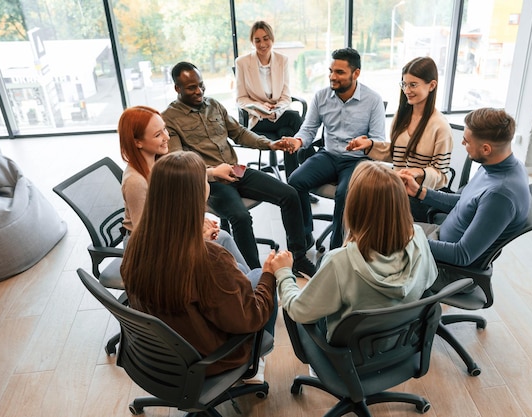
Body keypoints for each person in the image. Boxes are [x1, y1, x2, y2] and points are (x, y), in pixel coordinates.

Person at [120, 151, 277, 380]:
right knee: (260, 276)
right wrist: (270, 275)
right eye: (205, 179)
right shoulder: (210, 260)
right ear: (197, 193)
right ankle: (252, 368)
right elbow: (251, 318)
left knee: (223, 238)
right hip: (210, 358)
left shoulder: (137, 242)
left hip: (166, 350)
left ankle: (241, 282)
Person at [162, 61, 316, 277]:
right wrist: (213, 172)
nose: (199, 91)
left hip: (236, 170)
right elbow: (179, 164)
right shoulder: (169, 119)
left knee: (289, 194)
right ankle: (257, 276)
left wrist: (270, 144)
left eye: (201, 85)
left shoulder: (213, 105)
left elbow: (239, 133)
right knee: (241, 217)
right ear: (177, 88)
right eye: (191, 87)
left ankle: (298, 258)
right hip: (210, 182)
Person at [269, 160, 438, 340]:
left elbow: (298, 311)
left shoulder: (339, 262)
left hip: (349, 357)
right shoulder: (419, 236)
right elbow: (429, 281)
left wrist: (284, 272)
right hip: (402, 342)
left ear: (353, 207)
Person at [399, 108, 529, 290]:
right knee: (380, 231)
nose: (462, 143)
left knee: (374, 260)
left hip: (448, 268)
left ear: (486, 149)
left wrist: (403, 242)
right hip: (438, 239)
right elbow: (464, 201)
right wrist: (419, 191)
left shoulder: (500, 196)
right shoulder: (494, 165)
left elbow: (462, 255)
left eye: (467, 141)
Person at [118, 106, 249, 271]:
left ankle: (249, 286)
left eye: (164, 129)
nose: (166, 137)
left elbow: (180, 176)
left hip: (169, 231)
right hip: (151, 250)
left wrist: (213, 172)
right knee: (230, 262)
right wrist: (192, 230)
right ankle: (248, 285)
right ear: (137, 142)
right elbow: (145, 236)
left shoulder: (157, 161)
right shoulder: (135, 182)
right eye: (158, 135)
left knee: (224, 239)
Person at [281, 48, 386, 250]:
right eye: (330, 71)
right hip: (329, 155)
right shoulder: (321, 96)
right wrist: (298, 141)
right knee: (294, 182)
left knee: (344, 194)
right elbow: (309, 129)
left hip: (357, 160)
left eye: (339, 72)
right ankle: (304, 237)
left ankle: (336, 251)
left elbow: (379, 141)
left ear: (356, 73)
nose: (332, 77)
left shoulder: (373, 100)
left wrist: (365, 143)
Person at [346, 56, 453, 222]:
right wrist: (369, 145)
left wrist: (418, 172)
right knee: (359, 196)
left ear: (431, 85)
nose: (407, 90)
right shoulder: (402, 116)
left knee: (371, 210)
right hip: (397, 188)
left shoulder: (440, 126)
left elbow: (442, 176)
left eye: (413, 85)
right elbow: (397, 152)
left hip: (420, 195)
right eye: (404, 84)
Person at [235, 20, 302, 177]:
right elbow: (240, 98)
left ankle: (294, 183)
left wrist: (276, 111)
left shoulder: (282, 60)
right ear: (252, 42)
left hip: (279, 116)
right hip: (258, 119)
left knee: (287, 132)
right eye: (257, 40)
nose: (262, 44)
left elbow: (286, 96)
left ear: (272, 39)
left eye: (266, 38)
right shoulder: (243, 63)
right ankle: (307, 154)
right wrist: (260, 106)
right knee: (294, 117)